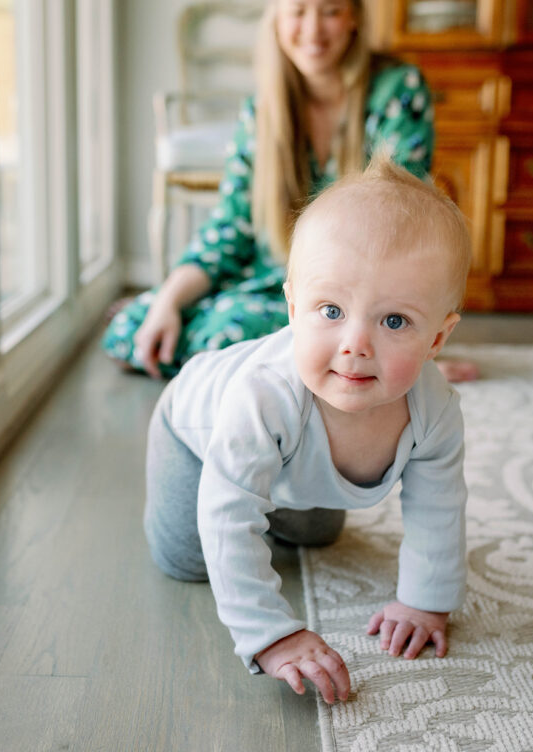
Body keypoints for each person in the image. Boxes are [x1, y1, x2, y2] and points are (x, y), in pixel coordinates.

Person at [143, 154, 470, 704]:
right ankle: (263, 492)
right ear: (293, 307)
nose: (356, 344)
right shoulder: (263, 396)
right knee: (190, 559)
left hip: (295, 462)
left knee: (318, 534)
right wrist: (273, 637)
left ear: (437, 339)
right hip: (194, 435)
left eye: (394, 321)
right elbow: (227, 516)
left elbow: (439, 505)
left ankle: (278, 493)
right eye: (331, 310)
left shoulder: (433, 408)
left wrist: (425, 600)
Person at [103, 0, 478, 382]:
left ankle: (383, 363)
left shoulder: (398, 89)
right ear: (277, 20)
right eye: (298, 11)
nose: (313, 30)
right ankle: (299, 363)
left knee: (224, 334)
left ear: (353, 18)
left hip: (351, 295)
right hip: (272, 285)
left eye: (330, 11)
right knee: (133, 326)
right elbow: (230, 229)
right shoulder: (261, 109)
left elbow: (403, 218)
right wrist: (167, 300)